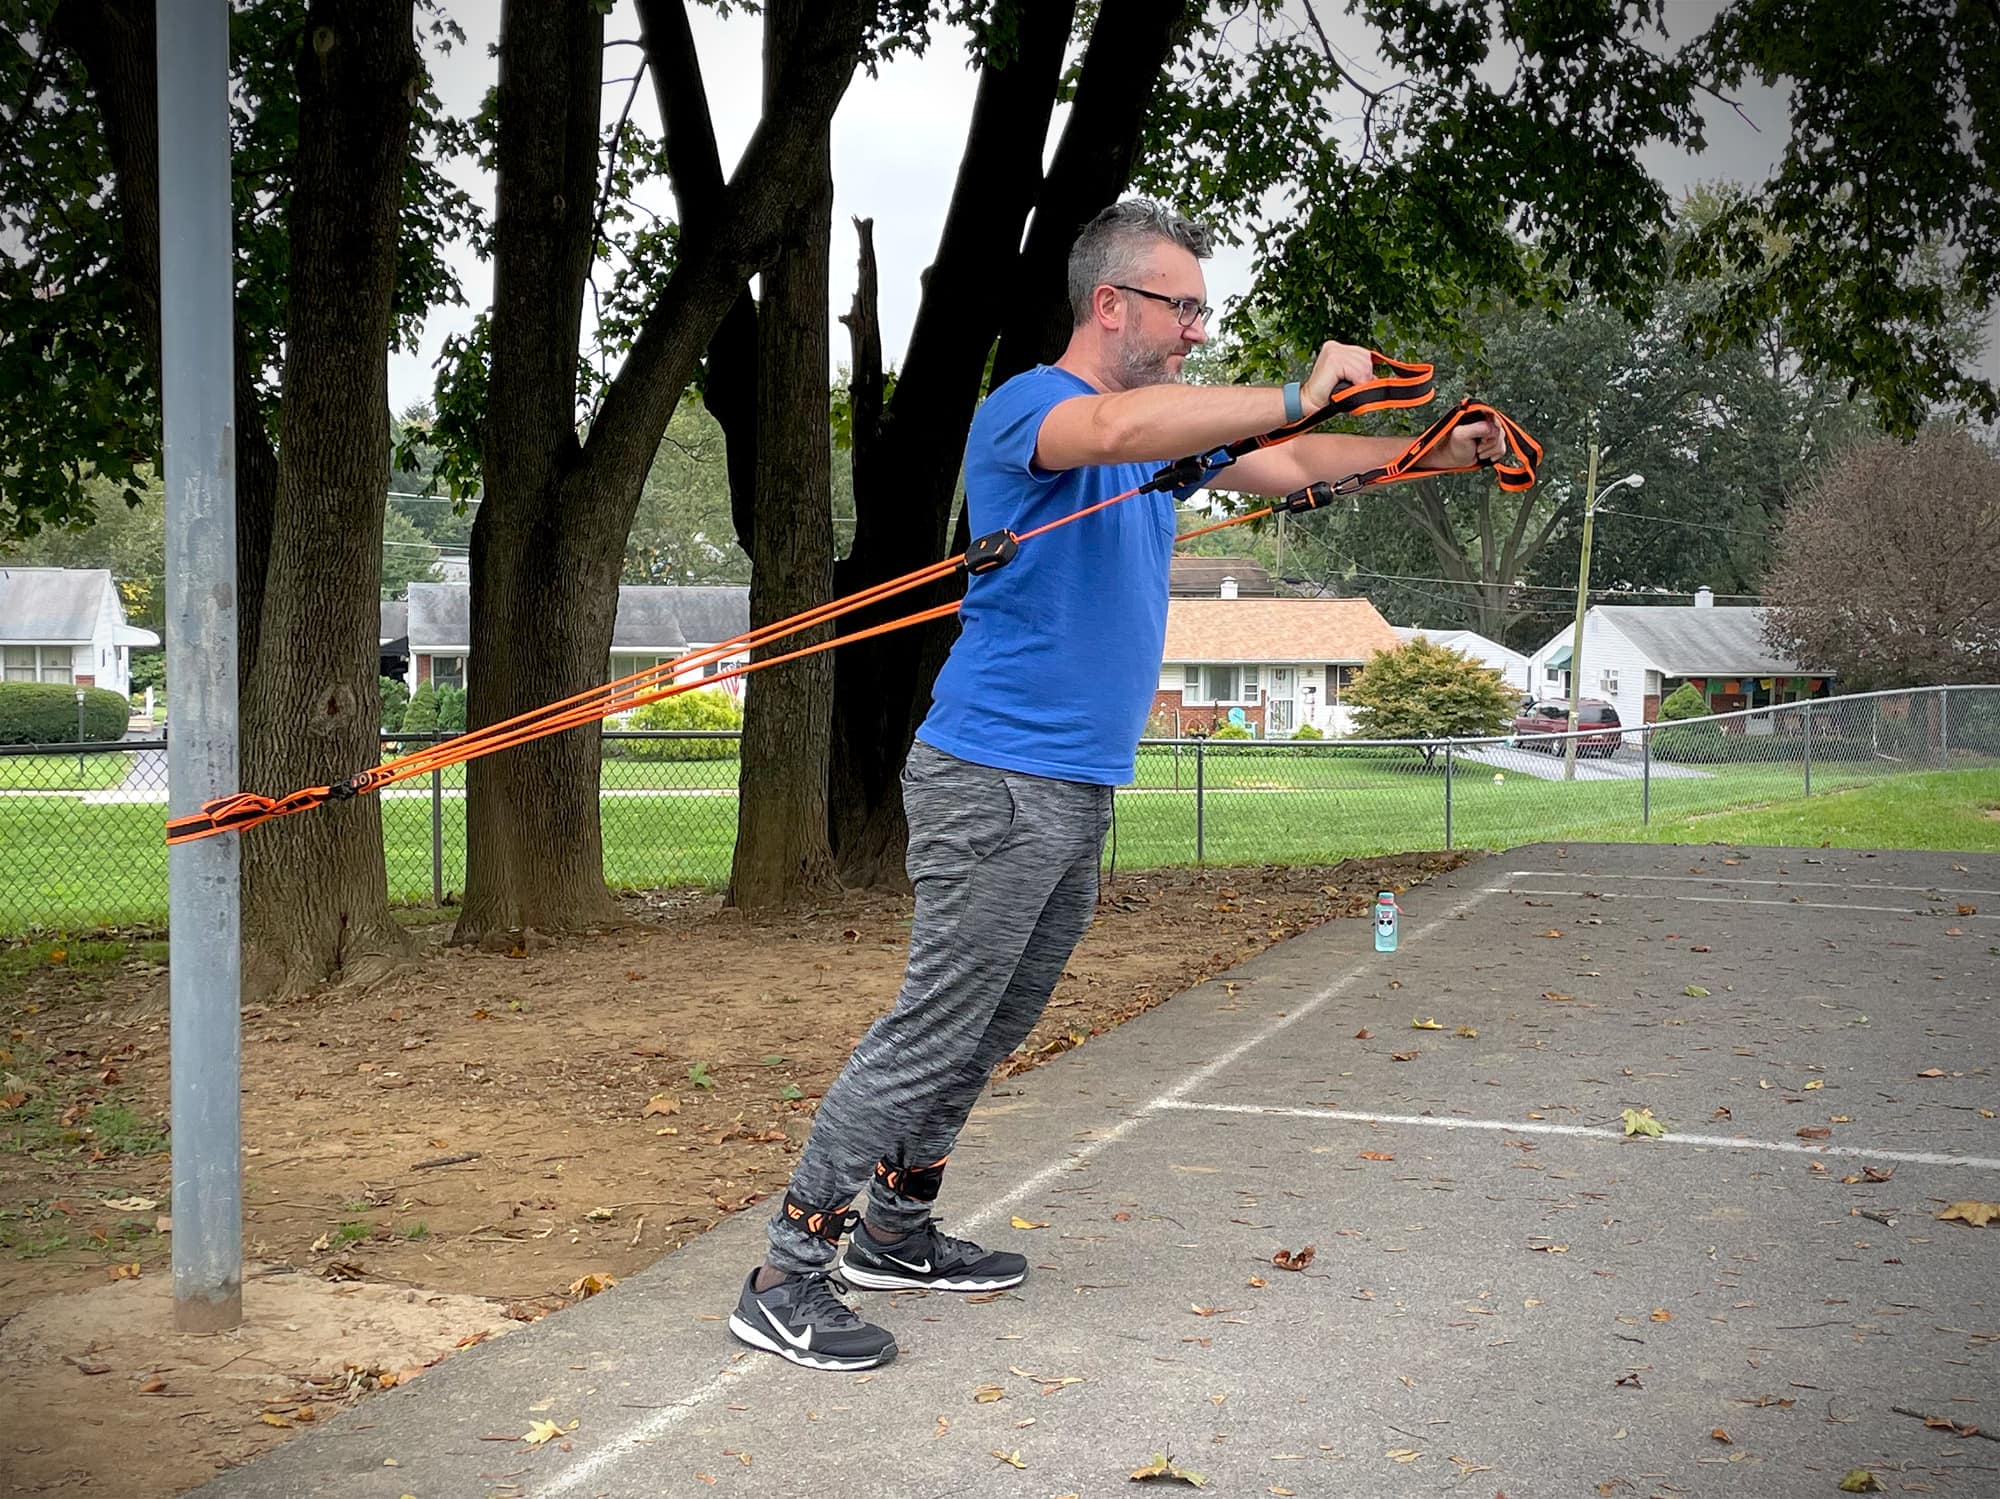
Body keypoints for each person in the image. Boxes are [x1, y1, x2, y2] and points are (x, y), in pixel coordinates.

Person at [727, 199, 1506, 1371]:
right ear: (1110, 303)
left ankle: (895, 1224)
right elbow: (1121, 421)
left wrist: (1421, 450)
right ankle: (787, 1269)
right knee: (932, 1024)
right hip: (992, 775)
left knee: (993, 1025)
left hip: (1072, 784)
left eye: (1202, 308)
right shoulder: (1033, 412)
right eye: (1180, 305)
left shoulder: (1154, 438)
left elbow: (1290, 459)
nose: (1197, 328)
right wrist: (1299, 389)